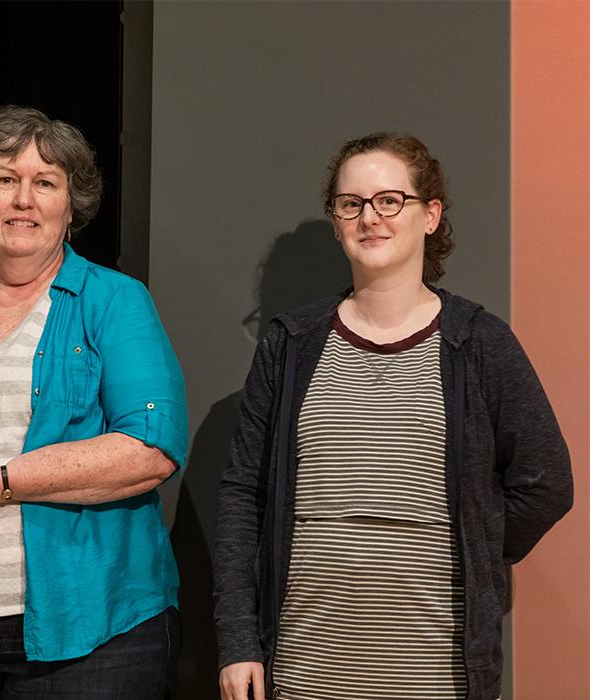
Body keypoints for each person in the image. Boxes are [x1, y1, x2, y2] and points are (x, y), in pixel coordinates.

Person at [213, 132, 573, 700]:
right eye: (350, 204)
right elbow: (242, 498)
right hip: (304, 666)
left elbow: (546, 483)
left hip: (436, 673)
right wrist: (237, 643)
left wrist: (471, 541)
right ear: (335, 222)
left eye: (390, 200)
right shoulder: (291, 344)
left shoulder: (478, 343)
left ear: (429, 215)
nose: (369, 218)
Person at [0, 105, 188, 698]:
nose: (23, 199)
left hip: (90, 635)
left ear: (72, 208)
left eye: (45, 183)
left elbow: (151, 450)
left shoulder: (113, 301)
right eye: (4, 179)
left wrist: (2, 482)